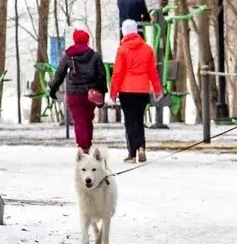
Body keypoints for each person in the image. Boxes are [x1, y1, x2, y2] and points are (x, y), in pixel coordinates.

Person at [110, 19, 163, 163]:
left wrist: (113, 91)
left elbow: (117, 73)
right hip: (142, 90)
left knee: (129, 121)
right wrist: (157, 89)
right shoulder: (147, 49)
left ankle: (132, 154)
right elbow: (153, 71)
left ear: (124, 32)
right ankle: (141, 147)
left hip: (126, 91)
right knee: (139, 120)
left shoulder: (122, 50)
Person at [48, 28, 106, 152]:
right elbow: (101, 76)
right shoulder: (95, 56)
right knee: (88, 119)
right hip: (91, 94)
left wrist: (53, 89)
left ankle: (83, 147)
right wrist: (102, 95)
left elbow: (59, 75)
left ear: (75, 40)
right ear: (87, 40)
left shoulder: (68, 56)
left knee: (79, 121)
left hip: (74, 94)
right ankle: (87, 145)